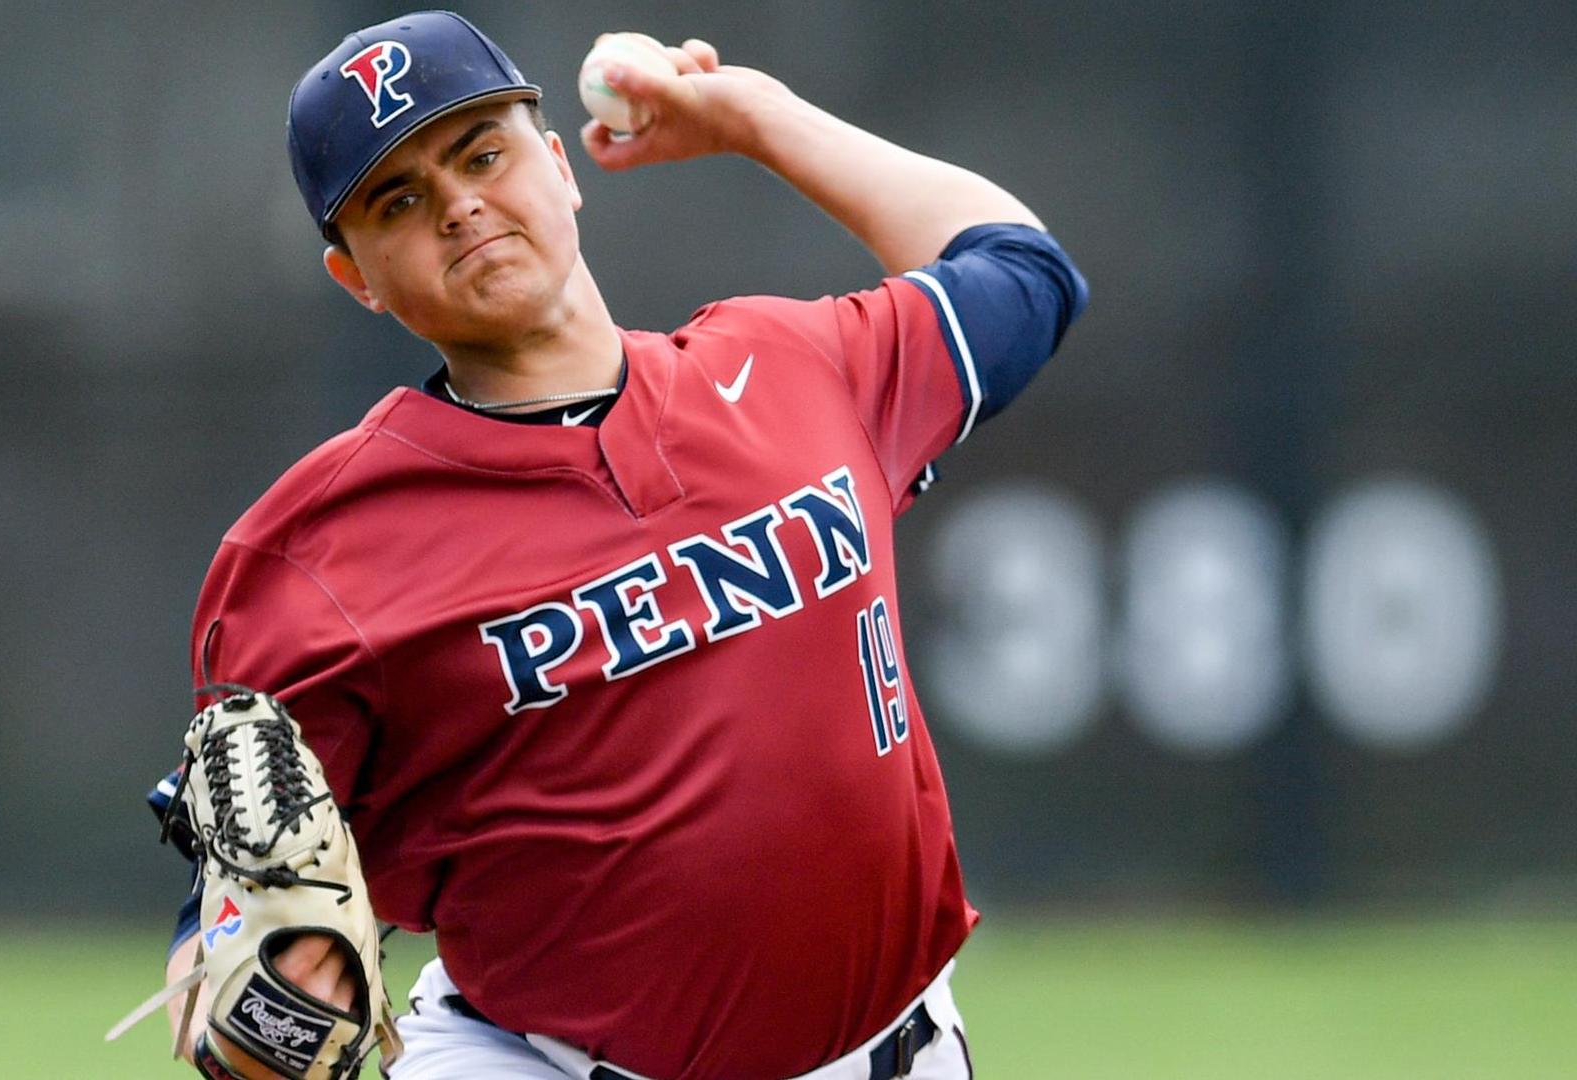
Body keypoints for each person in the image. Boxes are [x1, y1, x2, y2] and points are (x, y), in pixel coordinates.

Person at [149, 10, 1087, 1079]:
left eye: (482, 154)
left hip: (898, 1047)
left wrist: (754, 117)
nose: (460, 206)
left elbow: (1023, 270)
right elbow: (230, 940)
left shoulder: (792, 364)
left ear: (560, 166)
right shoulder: (316, 554)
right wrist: (254, 1012)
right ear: (354, 276)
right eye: (398, 200)